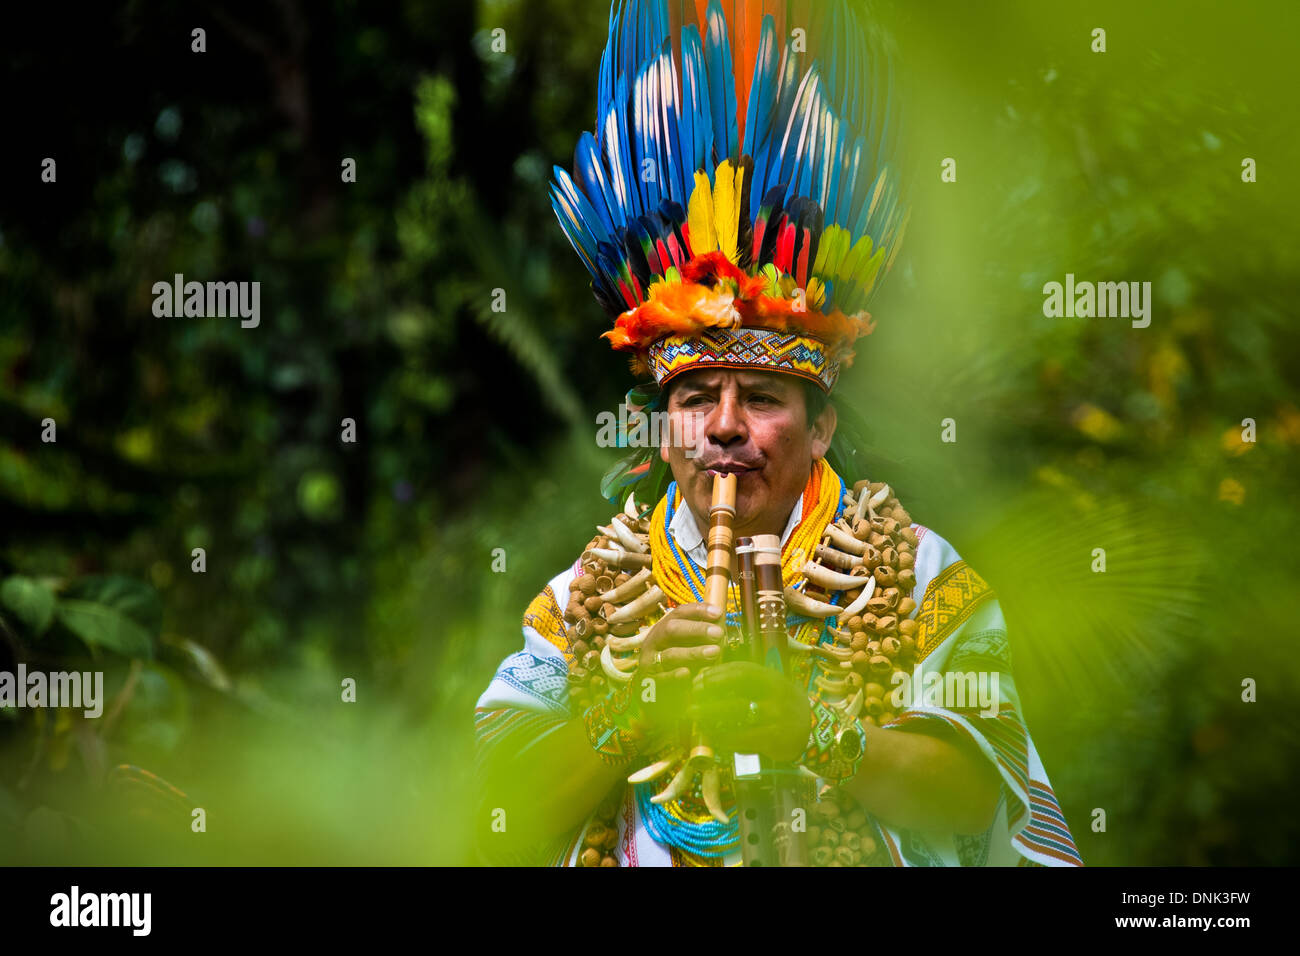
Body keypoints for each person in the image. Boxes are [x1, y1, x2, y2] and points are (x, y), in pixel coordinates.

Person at [474, 0, 1082, 867]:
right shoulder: (586, 596)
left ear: (823, 424)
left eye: (761, 397)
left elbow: (978, 791)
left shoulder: (916, 569)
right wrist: (631, 715)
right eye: (694, 401)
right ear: (663, 427)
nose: (724, 428)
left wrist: (815, 734)